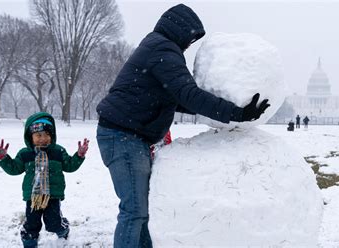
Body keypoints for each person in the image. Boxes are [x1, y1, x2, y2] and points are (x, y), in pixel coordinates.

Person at [95, 4, 270, 247]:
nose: (189, 45)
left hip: (127, 135)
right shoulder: (163, 49)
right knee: (134, 211)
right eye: (190, 38)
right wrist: (237, 113)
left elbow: (177, 99)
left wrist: (217, 113)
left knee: (141, 211)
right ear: (181, 30)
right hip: (123, 136)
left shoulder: (157, 47)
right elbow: (188, 95)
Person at [0, 112, 89, 248]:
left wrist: (79, 155)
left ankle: (63, 228)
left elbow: (69, 166)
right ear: (30, 137)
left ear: (52, 136)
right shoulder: (25, 154)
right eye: (38, 135)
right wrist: (3, 158)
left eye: (47, 135)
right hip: (33, 196)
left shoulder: (58, 151)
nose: (43, 138)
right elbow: (14, 169)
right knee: (31, 223)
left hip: (53, 195)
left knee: (54, 222)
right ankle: (30, 243)